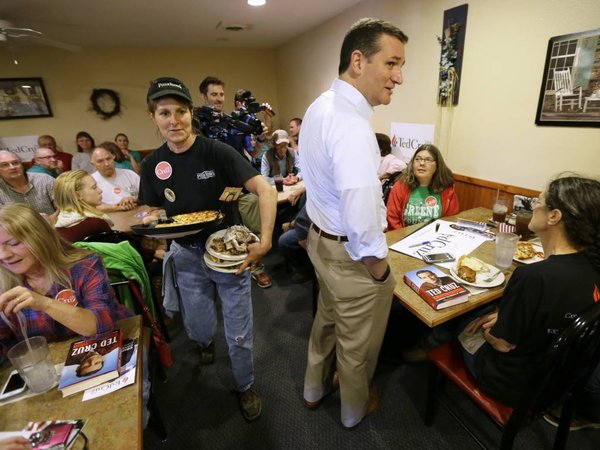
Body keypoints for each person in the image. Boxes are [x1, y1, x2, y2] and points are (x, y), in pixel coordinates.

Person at [139, 77, 277, 421]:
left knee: (239, 332)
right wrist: (149, 220)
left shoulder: (218, 152)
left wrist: (266, 242)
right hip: (186, 257)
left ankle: (245, 385)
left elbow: (266, 190)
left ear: (191, 113)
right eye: (164, 112)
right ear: (154, 117)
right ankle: (203, 344)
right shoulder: (152, 165)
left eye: (181, 111)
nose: (174, 120)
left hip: (229, 257)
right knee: (198, 326)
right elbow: (153, 210)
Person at [300, 18, 407, 428]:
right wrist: (378, 268)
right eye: (392, 63)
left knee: (326, 321)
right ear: (358, 61)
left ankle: (313, 390)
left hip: (321, 241)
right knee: (357, 343)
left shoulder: (319, 106)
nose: (399, 77)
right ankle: (352, 412)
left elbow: (311, 173)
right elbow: (361, 206)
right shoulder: (351, 122)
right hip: (352, 253)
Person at [461, 175, 600, 430]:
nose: (534, 204)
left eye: (540, 200)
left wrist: (499, 322)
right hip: (561, 382)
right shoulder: (593, 267)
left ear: (554, 216)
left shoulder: (532, 277)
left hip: (515, 384)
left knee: (464, 319)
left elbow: (501, 344)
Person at [0, 204, 132, 364]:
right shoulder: (4, 284)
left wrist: (44, 303)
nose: (4, 255)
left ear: (41, 236)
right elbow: (6, 347)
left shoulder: (85, 266)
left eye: (14, 243)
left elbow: (98, 326)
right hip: (51, 368)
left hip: (113, 351)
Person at [386, 143, 459, 230]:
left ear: (437, 165)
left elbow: (450, 220)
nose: (422, 163)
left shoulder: (447, 189)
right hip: (404, 239)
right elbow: (392, 219)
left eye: (428, 160)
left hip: (435, 240)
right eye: (417, 159)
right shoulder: (400, 186)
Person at [53, 170, 113, 242]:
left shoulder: (56, 228)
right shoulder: (96, 224)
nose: (100, 190)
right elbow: (119, 251)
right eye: (94, 187)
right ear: (78, 195)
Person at [0, 151, 55, 215]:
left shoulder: (45, 179)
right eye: (5, 165)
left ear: (22, 165)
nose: (12, 167)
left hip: (52, 224)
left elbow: (63, 207)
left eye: (15, 163)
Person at [90, 146, 140, 212]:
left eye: (108, 159)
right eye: (100, 161)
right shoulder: (90, 181)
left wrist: (134, 198)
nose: (106, 164)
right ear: (93, 164)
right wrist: (118, 207)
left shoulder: (129, 174)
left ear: (113, 157)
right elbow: (89, 207)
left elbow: (147, 194)